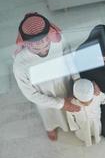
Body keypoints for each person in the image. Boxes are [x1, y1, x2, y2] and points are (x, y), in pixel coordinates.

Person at [13, 12, 81, 141]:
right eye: (36, 47)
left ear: (49, 34)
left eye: (46, 43)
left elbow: (69, 57)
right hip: (45, 97)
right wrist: (61, 104)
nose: (43, 49)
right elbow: (30, 95)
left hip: (65, 84)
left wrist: (77, 79)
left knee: (69, 110)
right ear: (26, 43)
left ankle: (70, 124)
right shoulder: (20, 65)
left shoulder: (58, 40)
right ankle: (50, 128)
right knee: (50, 115)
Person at [66, 78, 105, 146]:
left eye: (90, 100)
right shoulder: (72, 104)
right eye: (83, 102)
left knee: (96, 130)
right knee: (84, 133)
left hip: (95, 121)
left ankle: (96, 136)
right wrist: (74, 127)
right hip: (82, 124)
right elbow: (70, 116)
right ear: (76, 97)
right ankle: (85, 138)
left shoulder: (97, 95)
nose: (87, 104)